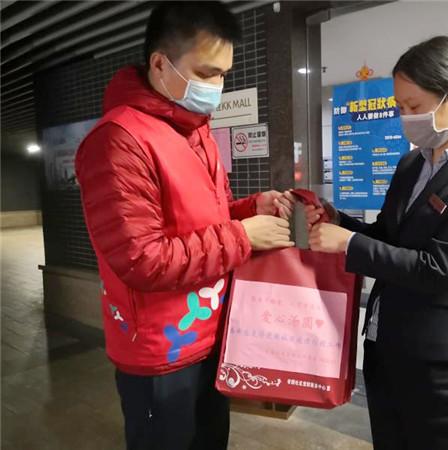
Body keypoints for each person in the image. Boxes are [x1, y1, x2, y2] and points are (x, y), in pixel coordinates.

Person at [75, 2, 295, 449]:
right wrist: (242, 236)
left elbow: (207, 216)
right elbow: (142, 259)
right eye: (207, 73)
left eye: (224, 75)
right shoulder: (118, 140)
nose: (217, 87)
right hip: (160, 351)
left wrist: (251, 208)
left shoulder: (194, 130)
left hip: (211, 335)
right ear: (160, 63)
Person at [307, 36, 448, 450]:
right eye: (400, 107)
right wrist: (339, 221)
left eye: (414, 106)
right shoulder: (412, 162)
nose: (406, 118)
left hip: (435, 358)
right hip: (384, 341)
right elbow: (389, 237)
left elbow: (438, 269)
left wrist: (348, 244)